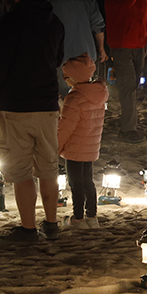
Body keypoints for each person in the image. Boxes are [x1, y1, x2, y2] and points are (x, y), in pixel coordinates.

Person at [0, 0, 65, 242]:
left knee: (21, 170)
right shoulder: (54, 22)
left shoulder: (10, 22)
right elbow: (57, 59)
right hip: (47, 104)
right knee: (48, 167)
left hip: (16, 105)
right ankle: (52, 223)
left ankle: (28, 228)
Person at [57, 54, 107, 229]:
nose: (64, 79)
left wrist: (56, 147)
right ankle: (92, 217)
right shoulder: (98, 95)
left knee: (76, 184)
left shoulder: (75, 97)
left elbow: (65, 127)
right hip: (90, 146)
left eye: (66, 76)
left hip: (74, 148)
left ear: (74, 77)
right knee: (88, 182)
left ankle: (77, 218)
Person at [103, 0, 147, 143]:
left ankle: (130, 125)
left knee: (133, 87)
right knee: (128, 87)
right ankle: (128, 129)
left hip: (139, 44)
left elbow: (145, 12)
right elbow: (127, 3)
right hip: (122, 44)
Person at [46, 0, 106, 95]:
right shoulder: (87, 0)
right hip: (85, 54)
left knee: (61, 93)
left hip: (57, 55)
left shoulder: (48, 2)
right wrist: (101, 49)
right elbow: (98, 27)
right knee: (84, 92)